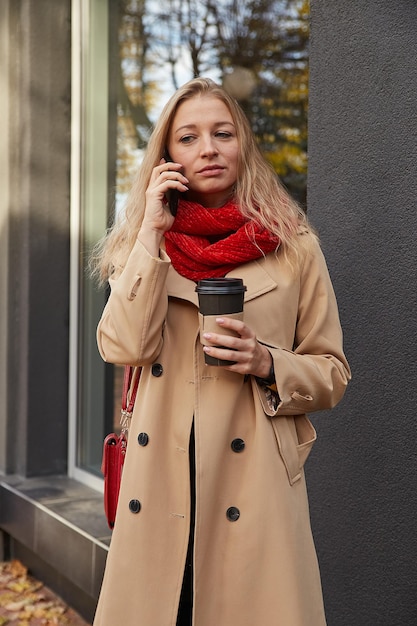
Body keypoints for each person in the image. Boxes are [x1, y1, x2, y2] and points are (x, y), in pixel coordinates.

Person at [92, 77, 351, 626]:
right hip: (159, 489)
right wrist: (149, 235)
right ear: (167, 157)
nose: (208, 148)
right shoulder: (143, 245)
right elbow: (121, 345)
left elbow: (332, 373)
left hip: (252, 491)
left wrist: (268, 361)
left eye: (222, 133)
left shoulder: (293, 244)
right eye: (188, 137)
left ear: (243, 146)